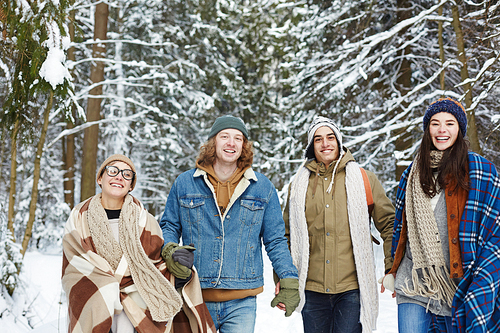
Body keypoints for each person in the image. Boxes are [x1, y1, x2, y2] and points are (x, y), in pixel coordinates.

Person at [160, 115, 300, 332]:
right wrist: (170, 250)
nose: (231, 143)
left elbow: (275, 240)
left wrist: (288, 277)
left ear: (244, 146)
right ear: (212, 142)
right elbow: (169, 226)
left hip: (242, 302)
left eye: (238, 138)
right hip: (195, 294)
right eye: (224, 136)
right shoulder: (185, 183)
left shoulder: (262, 187)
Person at [62, 154, 215, 333]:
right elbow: (74, 267)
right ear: (100, 178)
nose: (119, 176)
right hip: (94, 302)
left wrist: (179, 268)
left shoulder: (146, 221)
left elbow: (156, 266)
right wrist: (107, 287)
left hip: (139, 307)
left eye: (127, 174)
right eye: (113, 171)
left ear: (131, 185)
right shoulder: (79, 218)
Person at [386, 98, 500, 332]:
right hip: (414, 281)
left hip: (457, 284)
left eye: (450, 123)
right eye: (435, 123)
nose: (442, 130)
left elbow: (493, 230)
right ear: (428, 129)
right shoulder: (411, 174)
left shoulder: (480, 172)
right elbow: (401, 229)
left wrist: (482, 279)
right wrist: (392, 268)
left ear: (460, 129)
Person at [283, 116, 395, 333]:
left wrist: (392, 266)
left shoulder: (364, 179)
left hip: (351, 288)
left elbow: (390, 224)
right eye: (318, 139)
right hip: (312, 288)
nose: (325, 144)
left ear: (339, 141)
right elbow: (286, 236)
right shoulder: (298, 186)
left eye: (330, 137)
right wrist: (284, 277)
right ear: (311, 146)